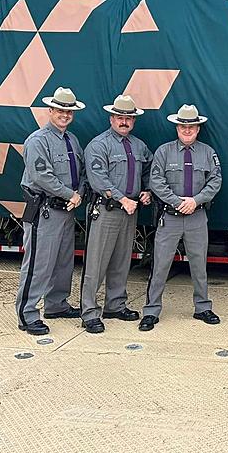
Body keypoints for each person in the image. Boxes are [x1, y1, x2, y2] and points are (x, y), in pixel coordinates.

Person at [139, 104, 223, 332]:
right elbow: (156, 182)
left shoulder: (208, 152)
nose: (187, 130)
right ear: (177, 127)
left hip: (196, 216)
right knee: (160, 265)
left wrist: (195, 201)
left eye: (192, 126)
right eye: (183, 126)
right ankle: (151, 311)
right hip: (170, 217)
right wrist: (178, 202)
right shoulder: (164, 152)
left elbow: (215, 181)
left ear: (198, 128)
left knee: (199, 265)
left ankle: (202, 307)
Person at [15, 87, 86, 336]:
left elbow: (81, 173)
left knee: (63, 262)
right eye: (60, 110)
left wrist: (78, 195)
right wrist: (71, 195)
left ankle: (56, 305)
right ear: (50, 110)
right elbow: (41, 176)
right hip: (45, 211)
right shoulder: (38, 140)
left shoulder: (72, 140)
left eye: (69, 111)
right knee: (39, 264)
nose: (64, 115)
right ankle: (27, 314)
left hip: (67, 210)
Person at [80, 94, 153, 333]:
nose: (124, 122)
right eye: (120, 117)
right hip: (107, 210)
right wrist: (122, 199)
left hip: (130, 211)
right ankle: (89, 312)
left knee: (121, 261)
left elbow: (149, 170)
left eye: (128, 118)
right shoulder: (98, 145)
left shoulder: (139, 146)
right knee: (97, 263)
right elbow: (98, 179)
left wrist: (147, 190)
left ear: (133, 120)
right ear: (112, 118)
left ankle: (115, 305)